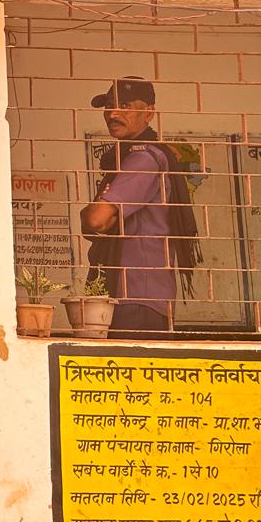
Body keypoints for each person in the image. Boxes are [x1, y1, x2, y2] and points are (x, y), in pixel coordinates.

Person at [80, 77, 201, 340]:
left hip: (135, 299)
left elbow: (96, 220)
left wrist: (88, 213)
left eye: (124, 105)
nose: (113, 114)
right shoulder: (128, 158)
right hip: (139, 298)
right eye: (109, 106)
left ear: (149, 112)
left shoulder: (142, 160)